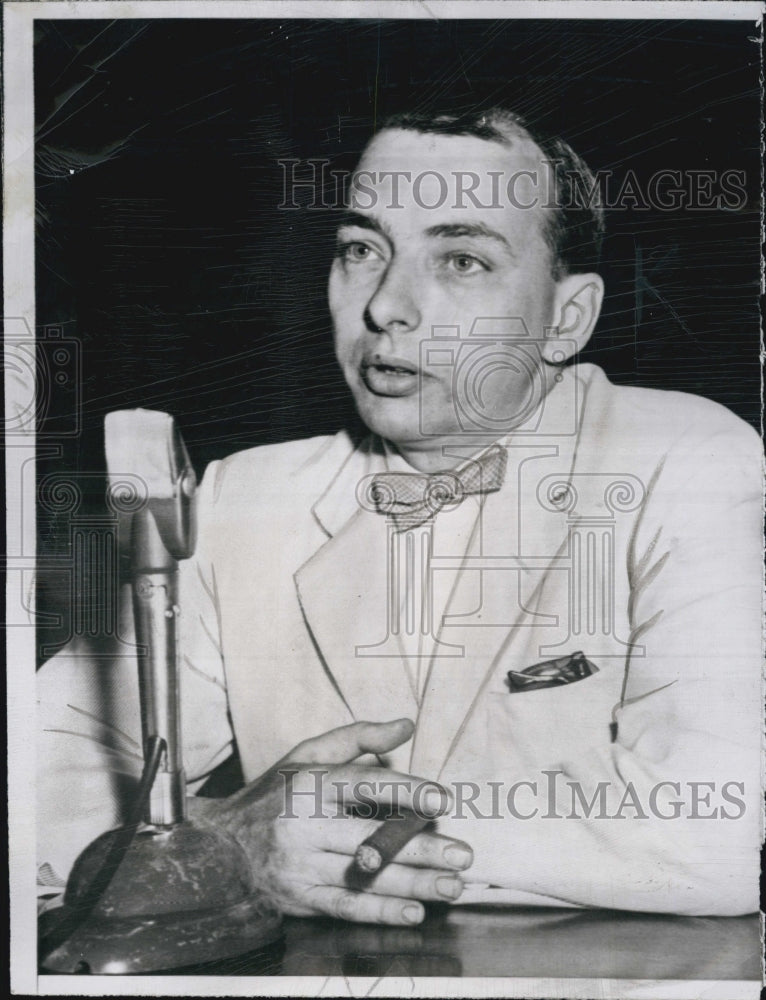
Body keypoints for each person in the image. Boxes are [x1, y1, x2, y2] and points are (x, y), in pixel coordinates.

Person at [37, 107, 762, 924]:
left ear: (568, 317)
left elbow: (727, 831)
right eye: (361, 250)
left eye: (460, 259)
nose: (386, 306)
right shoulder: (243, 498)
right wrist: (226, 838)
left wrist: (318, 837)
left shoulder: (684, 457)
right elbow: (32, 790)